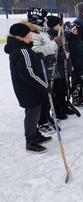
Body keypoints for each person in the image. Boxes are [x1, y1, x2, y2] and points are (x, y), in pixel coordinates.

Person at [4, 23, 52, 153]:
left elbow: (28, 66)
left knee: (34, 113)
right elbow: (28, 74)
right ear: (22, 36)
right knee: (32, 113)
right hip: (28, 89)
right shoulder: (22, 51)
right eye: (28, 33)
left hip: (29, 88)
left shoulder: (22, 48)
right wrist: (45, 86)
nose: (31, 35)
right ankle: (31, 142)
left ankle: (35, 134)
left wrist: (37, 56)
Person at [64, 21, 83, 107]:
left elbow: (81, 50)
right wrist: (71, 65)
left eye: (76, 29)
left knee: (82, 80)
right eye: (74, 29)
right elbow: (69, 55)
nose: (76, 30)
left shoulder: (77, 38)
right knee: (76, 81)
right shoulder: (68, 41)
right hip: (75, 65)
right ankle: (75, 98)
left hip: (81, 63)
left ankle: (80, 96)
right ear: (69, 31)